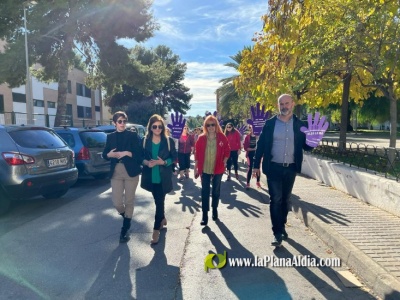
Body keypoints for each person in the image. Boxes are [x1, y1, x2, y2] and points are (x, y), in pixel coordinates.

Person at [253, 94, 313, 247]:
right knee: (275, 199)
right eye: (281, 103)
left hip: (291, 168)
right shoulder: (270, 124)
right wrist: (255, 166)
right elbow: (260, 146)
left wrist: (313, 141)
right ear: (277, 105)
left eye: (287, 103)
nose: (284, 106)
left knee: (285, 200)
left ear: (292, 104)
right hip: (273, 167)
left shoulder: (300, 124)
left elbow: (305, 146)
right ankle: (277, 232)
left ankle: (282, 225)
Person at [102, 111, 143, 243]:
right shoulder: (110, 137)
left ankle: (125, 229)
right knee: (117, 202)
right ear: (114, 123)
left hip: (131, 171)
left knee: (129, 201)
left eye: (124, 121)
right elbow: (104, 154)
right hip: (116, 171)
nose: (122, 124)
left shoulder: (132, 135)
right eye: (120, 121)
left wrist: (127, 153)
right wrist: (110, 155)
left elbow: (139, 154)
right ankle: (127, 218)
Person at [141, 114, 177, 244]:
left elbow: (174, 157)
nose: (157, 129)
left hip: (163, 177)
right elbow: (141, 157)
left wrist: (164, 162)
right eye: (154, 126)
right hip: (151, 177)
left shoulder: (168, 141)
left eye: (160, 127)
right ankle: (162, 218)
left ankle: (156, 230)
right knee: (158, 201)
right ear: (150, 127)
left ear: (163, 127)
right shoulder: (145, 141)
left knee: (159, 202)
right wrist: (146, 162)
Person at [194, 115, 230, 226]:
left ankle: (214, 209)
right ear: (205, 126)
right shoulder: (201, 138)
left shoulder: (222, 137)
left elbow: (227, 150)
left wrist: (224, 161)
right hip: (204, 168)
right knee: (204, 192)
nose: (210, 127)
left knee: (215, 191)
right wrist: (196, 168)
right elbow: (197, 154)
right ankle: (204, 216)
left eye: (212, 124)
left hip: (218, 168)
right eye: (208, 125)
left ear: (216, 125)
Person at [243, 125, 261, 189]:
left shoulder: (259, 137)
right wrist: (253, 149)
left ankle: (258, 181)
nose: (254, 129)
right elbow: (245, 148)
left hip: (258, 154)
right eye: (252, 128)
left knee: (258, 168)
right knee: (250, 167)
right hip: (250, 154)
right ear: (250, 129)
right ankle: (248, 183)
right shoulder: (247, 137)